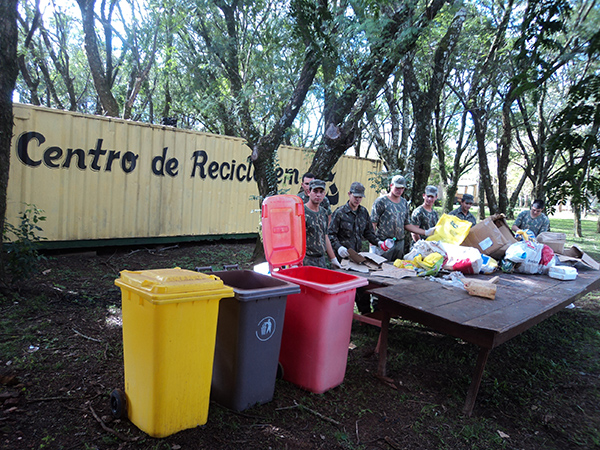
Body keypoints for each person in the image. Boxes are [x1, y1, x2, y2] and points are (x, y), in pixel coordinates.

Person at [328, 182, 381, 314]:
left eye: (360, 197)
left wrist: (379, 242)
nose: (357, 199)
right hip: (342, 259)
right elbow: (330, 234)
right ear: (349, 194)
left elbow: (368, 232)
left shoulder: (363, 212)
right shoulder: (340, 213)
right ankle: (341, 315)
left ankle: (366, 315)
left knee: (362, 287)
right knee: (343, 289)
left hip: (358, 257)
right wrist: (338, 247)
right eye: (355, 196)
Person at [371, 175, 435, 262]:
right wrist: (372, 245)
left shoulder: (404, 203)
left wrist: (425, 232)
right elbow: (373, 224)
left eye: (402, 188)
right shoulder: (381, 201)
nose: (399, 190)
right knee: (379, 271)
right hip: (384, 243)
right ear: (391, 186)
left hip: (399, 244)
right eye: (397, 188)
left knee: (397, 271)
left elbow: (406, 224)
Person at [303, 179, 341, 269]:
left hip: (321, 260)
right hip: (306, 260)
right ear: (309, 192)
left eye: (321, 192)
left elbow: (325, 236)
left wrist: (333, 259)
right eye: (315, 191)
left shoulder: (323, 212)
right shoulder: (301, 212)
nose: (318, 195)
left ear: (324, 194)